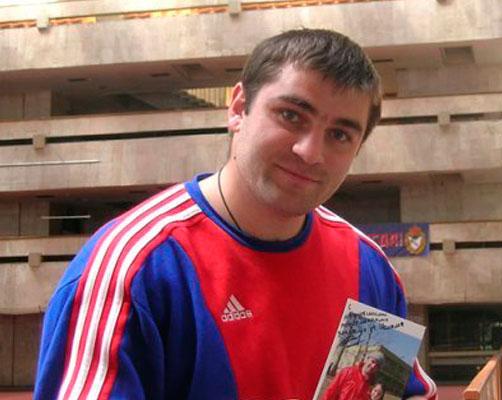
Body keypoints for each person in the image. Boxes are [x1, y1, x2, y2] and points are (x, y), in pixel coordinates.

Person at [34, 29, 437, 400]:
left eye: (339, 135)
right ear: (239, 107)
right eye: (291, 116)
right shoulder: (133, 269)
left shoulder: (369, 268)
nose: (310, 152)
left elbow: (397, 392)